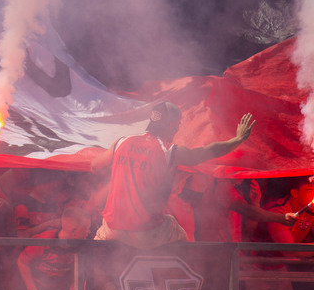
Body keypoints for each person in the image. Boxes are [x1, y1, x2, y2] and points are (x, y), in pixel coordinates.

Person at [91, 102, 255, 248]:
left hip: (112, 228)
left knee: (93, 259)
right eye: (178, 124)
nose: (178, 128)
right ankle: (175, 280)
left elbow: (94, 166)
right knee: (179, 234)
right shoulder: (168, 151)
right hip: (146, 232)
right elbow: (207, 152)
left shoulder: (122, 142)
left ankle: (87, 281)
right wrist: (238, 139)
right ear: (170, 125)